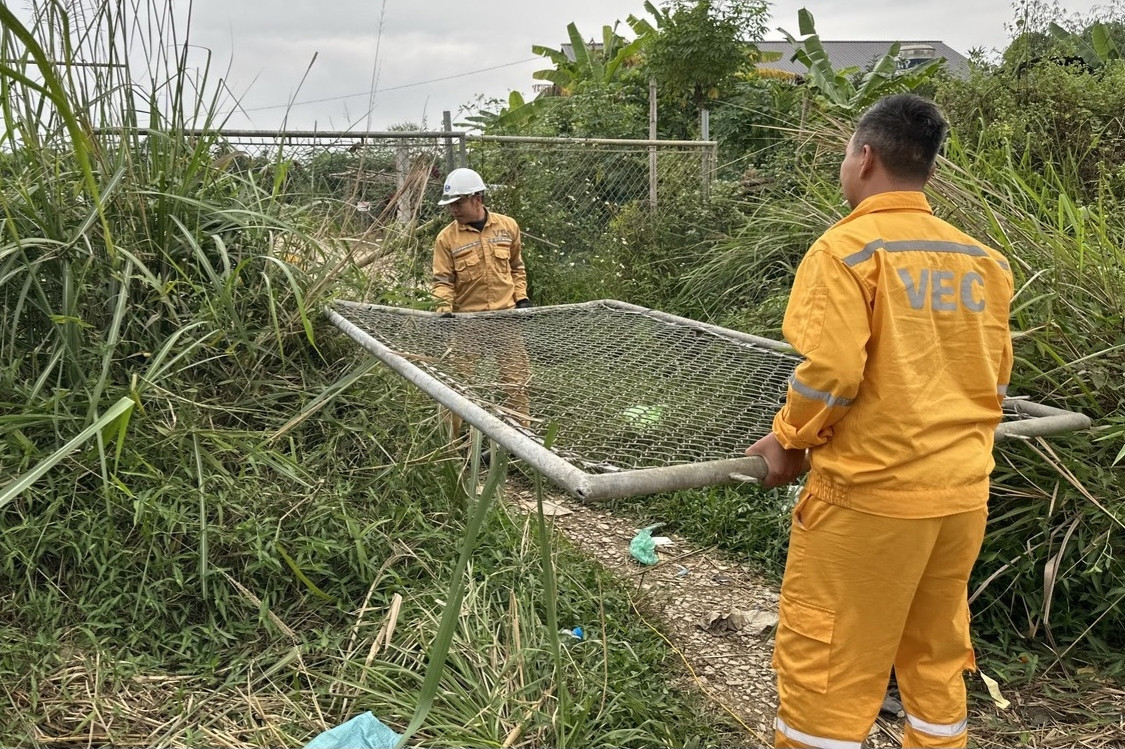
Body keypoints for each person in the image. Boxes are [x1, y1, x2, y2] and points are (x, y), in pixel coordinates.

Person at [745, 94, 1013, 749]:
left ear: (864, 159)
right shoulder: (982, 261)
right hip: (960, 497)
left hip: (871, 497)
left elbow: (829, 373)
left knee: (829, 671)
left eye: (844, 154)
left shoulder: (847, 249)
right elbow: (993, 378)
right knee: (933, 659)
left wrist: (787, 439)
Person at [431, 168, 532, 435]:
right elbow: (442, 282)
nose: (453, 209)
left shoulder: (508, 227)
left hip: (506, 321)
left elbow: (516, 268)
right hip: (468, 324)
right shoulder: (446, 239)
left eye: (458, 202)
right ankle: (451, 448)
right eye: (450, 204)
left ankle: (525, 445)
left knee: (517, 384)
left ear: (477, 198)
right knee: (456, 387)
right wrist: (444, 311)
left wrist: (521, 298)